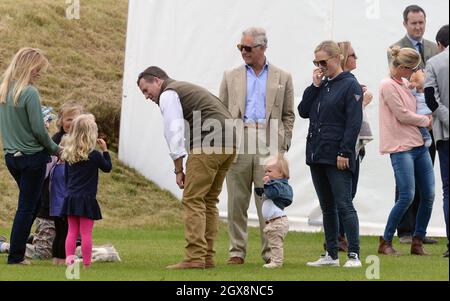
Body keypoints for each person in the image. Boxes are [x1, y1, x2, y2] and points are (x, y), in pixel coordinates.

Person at [137, 66, 236, 269]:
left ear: (157, 80)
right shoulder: (187, 88)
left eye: (146, 90)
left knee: (193, 199)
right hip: (231, 143)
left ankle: (194, 257)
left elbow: (173, 130)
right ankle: (206, 256)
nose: (147, 97)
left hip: (208, 143)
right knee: (208, 200)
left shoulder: (168, 93)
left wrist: (178, 169)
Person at [219, 27, 295, 265]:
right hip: (239, 138)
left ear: (263, 48)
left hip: (269, 139)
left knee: (269, 199)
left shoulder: (283, 76)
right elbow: (220, 110)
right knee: (236, 200)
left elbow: (288, 114)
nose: (243, 51)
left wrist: (282, 144)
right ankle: (236, 251)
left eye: (248, 48)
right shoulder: (230, 75)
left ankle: (271, 253)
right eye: (241, 47)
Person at [298, 41, 363, 268]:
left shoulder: (350, 85)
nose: (319, 66)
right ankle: (331, 254)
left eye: (323, 62)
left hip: (338, 154)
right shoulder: (322, 85)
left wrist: (345, 151)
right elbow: (303, 111)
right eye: (316, 62)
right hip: (317, 154)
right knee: (327, 206)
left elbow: (353, 123)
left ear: (337, 58)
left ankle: (354, 254)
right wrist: (314, 86)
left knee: (344, 204)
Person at [0, 47, 60, 265]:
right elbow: (38, 130)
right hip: (32, 158)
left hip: (12, 158)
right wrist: (56, 149)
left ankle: (18, 245)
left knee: (31, 205)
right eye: (37, 69)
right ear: (29, 66)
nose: (39, 73)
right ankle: (16, 255)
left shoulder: (4, 90)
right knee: (27, 207)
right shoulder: (30, 92)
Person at [388, 4, 439, 245]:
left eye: (421, 22)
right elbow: (398, 81)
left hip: (430, 125)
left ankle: (420, 231)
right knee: (405, 181)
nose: (418, 27)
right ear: (405, 24)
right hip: (407, 126)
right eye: (414, 23)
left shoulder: (433, 48)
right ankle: (404, 231)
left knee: (425, 181)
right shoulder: (396, 49)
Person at [378, 46, 435, 256]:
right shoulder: (387, 85)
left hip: (418, 145)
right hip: (400, 148)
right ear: (401, 67)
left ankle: (418, 240)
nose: (414, 73)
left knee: (428, 194)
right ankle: (386, 240)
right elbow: (402, 115)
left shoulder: (404, 82)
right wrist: (426, 121)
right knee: (407, 195)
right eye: (411, 69)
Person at [326, 41, 374, 253]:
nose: (356, 58)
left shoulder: (349, 83)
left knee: (347, 195)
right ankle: (337, 240)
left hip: (353, 147)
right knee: (342, 197)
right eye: (353, 55)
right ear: (344, 57)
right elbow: (345, 116)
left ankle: (339, 238)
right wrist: (362, 103)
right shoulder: (338, 84)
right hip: (344, 148)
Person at [61, 114, 112, 268]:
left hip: (71, 198)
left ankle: (69, 261)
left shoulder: (69, 154)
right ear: (91, 134)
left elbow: (66, 177)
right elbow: (107, 168)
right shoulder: (95, 155)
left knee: (71, 232)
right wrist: (105, 151)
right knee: (85, 234)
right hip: (87, 199)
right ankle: (87, 264)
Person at [424, 24, 449, 258]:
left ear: (440, 44)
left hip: (445, 135)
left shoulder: (434, 63)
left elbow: (431, 99)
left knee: (448, 190)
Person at [50, 101, 84, 265]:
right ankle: (61, 257)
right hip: (61, 191)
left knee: (67, 228)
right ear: (61, 121)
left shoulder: (80, 140)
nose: (71, 123)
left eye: (75, 119)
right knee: (63, 227)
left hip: (72, 189)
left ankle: (59, 257)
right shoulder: (56, 140)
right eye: (68, 119)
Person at [255, 154, 292, 268]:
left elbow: (272, 193)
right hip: (273, 221)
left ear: (280, 173)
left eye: (269, 171)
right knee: (273, 242)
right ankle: (275, 260)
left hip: (277, 221)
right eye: (265, 171)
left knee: (276, 244)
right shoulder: (275, 185)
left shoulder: (278, 185)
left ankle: (277, 262)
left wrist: (267, 184)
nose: (266, 174)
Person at [409, 70, 432, 147]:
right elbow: (411, 92)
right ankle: (426, 137)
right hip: (421, 114)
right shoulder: (416, 91)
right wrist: (412, 87)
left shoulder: (428, 90)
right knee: (421, 127)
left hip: (430, 112)